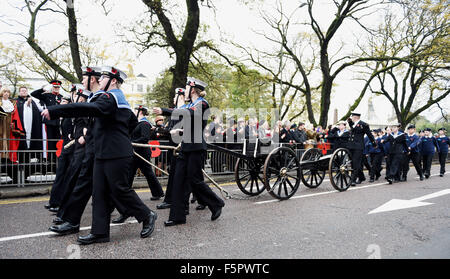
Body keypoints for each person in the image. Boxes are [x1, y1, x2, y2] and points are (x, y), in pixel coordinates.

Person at [42, 66, 157, 244]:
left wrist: (55, 111)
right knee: (99, 192)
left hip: (116, 153)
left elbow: (86, 108)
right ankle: (100, 232)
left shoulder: (111, 98)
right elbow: (132, 123)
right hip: (104, 153)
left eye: (103, 78)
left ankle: (147, 215)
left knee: (120, 190)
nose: (99, 80)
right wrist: (116, 130)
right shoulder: (117, 100)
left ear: (112, 81)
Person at [153, 77, 225, 226]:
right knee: (179, 180)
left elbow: (188, 113)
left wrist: (164, 111)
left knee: (195, 180)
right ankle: (177, 216)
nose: (185, 91)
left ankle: (216, 203)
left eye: (186, 88)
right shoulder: (192, 104)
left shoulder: (202, 104)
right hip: (186, 146)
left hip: (196, 148)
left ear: (192, 89)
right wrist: (179, 130)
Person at [49, 67, 104, 234]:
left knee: (116, 188)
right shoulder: (94, 98)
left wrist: (86, 133)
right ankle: (67, 218)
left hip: (93, 148)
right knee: (78, 182)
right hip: (85, 148)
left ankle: (142, 214)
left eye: (84, 78)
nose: (82, 82)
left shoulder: (101, 98)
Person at [45, 86, 78, 212]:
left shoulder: (71, 117)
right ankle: (54, 201)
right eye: (62, 102)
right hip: (65, 147)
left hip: (71, 148)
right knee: (60, 176)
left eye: (64, 103)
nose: (61, 104)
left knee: (68, 177)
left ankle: (60, 203)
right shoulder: (63, 117)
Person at [31, 80, 63, 152]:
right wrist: (43, 89)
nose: (56, 88)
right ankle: (50, 159)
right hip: (49, 121)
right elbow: (33, 94)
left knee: (58, 140)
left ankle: (56, 158)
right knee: (49, 141)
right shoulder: (47, 95)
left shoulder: (61, 97)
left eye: (58, 87)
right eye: (55, 87)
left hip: (58, 122)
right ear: (52, 87)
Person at [347, 112, 376, 186]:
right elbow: (353, 129)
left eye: (352, 117)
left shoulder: (364, 124)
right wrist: (350, 122)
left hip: (358, 146)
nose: (351, 118)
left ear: (355, 117)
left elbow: (369, 134)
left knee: (356, 163)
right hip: (351, 146)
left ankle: (353, 180)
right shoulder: (352, 124)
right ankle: (361, 177)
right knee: (353, 163)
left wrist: (374, 143)